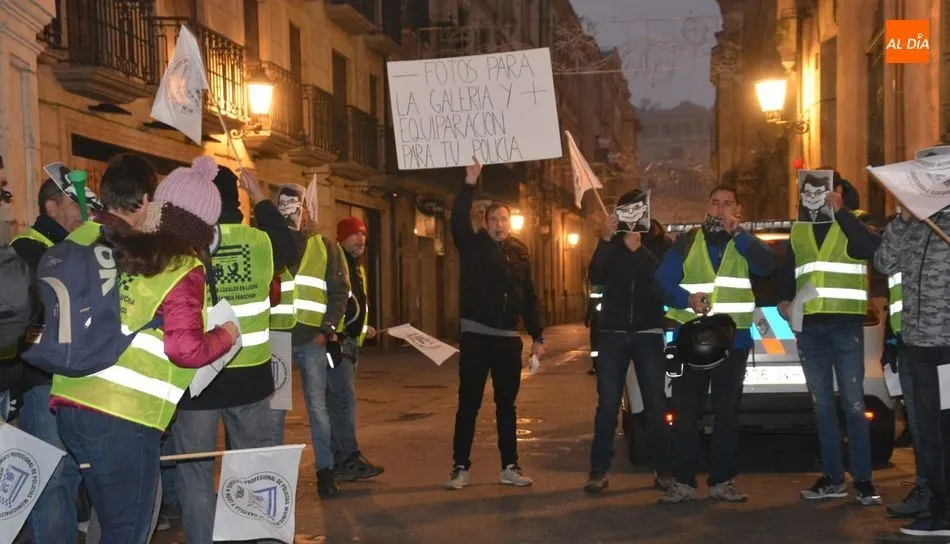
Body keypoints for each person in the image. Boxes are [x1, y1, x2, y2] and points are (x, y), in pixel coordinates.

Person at [50, 155, 239, 542]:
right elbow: (184, 349)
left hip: (70, 400)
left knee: (111, 523)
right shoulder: (179, 265)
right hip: (122, 415)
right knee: (127, 532)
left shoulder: (107, 245)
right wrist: (226, 335)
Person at [172, 165, 294, 543]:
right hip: (250, 379)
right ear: (235, 201)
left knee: (194, 472)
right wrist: (260, 197)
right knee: (254, 470)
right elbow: (289, 243)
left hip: (197, 378)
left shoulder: (183, 245)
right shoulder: (259, 242)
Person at [655, 184, 776, 503]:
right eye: (715, 203)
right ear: (707, 206)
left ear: (738, 210)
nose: (721, 209)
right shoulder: (688, 241)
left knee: (727, 415)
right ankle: (684, 482)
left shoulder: (745, 242)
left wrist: (740, 235)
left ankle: (722, 481)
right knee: (685, 415)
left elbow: (767, 266)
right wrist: (687, 299)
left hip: (732, 344)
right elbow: (662, 282)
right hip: (689, 342)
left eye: (728, 204)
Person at [777, 171, 883, 505]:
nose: (816, 194)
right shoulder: (800, 226)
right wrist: (783, 299)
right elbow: (790, 268)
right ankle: (833, 478)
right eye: (809, 189)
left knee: (854, 403)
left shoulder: (856, 218)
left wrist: (842, 212)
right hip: (810, 326)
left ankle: (863, 481)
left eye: (823, 188)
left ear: (837, 189)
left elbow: (870, 248)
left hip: (845, 324)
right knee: (822, 405)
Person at [445, 158, 544, 490]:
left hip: (507, 340)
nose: (499, 224)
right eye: (493, 219)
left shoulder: (520, 253)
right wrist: (469, 183)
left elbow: (529, 296)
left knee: (506, 407)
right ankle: (460, 467)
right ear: (485, 223)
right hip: (476, 338)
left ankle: (509, 467)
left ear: (510, 222)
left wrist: (538, 335)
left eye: (504, 219)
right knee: (468, 405)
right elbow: (457, 219)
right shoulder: (472, 245)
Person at [6, 176, 83, 543]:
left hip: (72, 377)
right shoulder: (28, 247)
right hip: (42, 381)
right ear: (52, 207)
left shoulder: (70, 246)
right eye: (75, 204)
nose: (83, 212)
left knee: (69, 472)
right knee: (50, 476)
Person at [583, 189, 673, 494]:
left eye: (637, 209)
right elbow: (595, 274)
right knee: (608, 404)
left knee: (655, 403)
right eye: (626, 209)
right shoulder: (612, 242)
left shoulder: (659, 242)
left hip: (649, 333)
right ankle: (599, 471)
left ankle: (663, 469)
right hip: (613, 334)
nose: (632, 215)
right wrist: (605, 240)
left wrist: (640, 251)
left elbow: (664, 279)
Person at [875, 203, 950, 536]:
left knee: (947, 431)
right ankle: (939, 511)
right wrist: (903, 220)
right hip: (917, 347)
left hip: (947, 348)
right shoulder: (916, 224)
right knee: (928, 434)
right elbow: (883, 262)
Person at [276, 207, 350, 497]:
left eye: (298, 208)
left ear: (307, 212)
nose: (292, 214)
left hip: (312, 339)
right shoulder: (270, 240)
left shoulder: (325, 245)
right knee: (275, 413)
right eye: (285, 206)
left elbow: (339, 290)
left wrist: (328, 329)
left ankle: (325, 472)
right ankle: (274, 475)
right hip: (278, 338)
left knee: (318, 409)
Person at [327, 216, 383, 481]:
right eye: (355, 234)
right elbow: (334, 302)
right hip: (338, 344)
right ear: (341, 237)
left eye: (363, 234)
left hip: (349, 343)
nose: (361, 239)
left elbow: (354, 307)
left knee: (340, 402)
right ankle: (346, 458)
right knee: (342, 402)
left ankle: (340, 458)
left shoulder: (356, 266)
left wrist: (363, 329)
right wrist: (333, 334)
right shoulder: (335, 261)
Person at [584, 279, 601, 375]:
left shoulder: (595, 288)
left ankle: (595, 365)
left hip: (596, 321)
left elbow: (591, 305)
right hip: (604, 322)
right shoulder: (611, 284)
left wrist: (587, 317)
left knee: (595, 345)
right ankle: (597, 365)